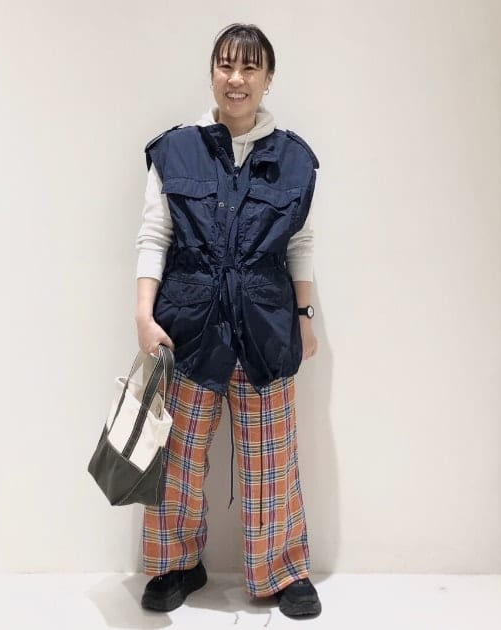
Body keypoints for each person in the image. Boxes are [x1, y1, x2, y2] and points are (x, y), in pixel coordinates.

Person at [134, 23, 321, 619]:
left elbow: (300, 242)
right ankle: (175, 564)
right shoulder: (176, 149)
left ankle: (282, 569)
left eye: (249, 68)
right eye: (225, 65)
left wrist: (305, 315)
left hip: (266, 326)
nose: (236, 79)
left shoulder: (295, 159)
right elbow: (155, 235)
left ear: (268, 78)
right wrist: (143, 314)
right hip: (188, 325)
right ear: (212, 72)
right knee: (178, 458)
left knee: (271, 459)